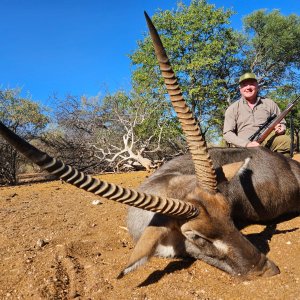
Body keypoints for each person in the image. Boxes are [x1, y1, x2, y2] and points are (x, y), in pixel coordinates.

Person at [223, 72, 291, 157]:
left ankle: (282, 170)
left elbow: (282, 121)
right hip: (244, 148)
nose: (248, 87)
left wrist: (281, 128)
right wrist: (247, 144)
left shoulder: (269, 103)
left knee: (284, 140)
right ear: (240, 89)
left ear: (257, 86)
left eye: (251, 84)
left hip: (267, 144)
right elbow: (227, 134)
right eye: (244, 85)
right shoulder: (232, 108)